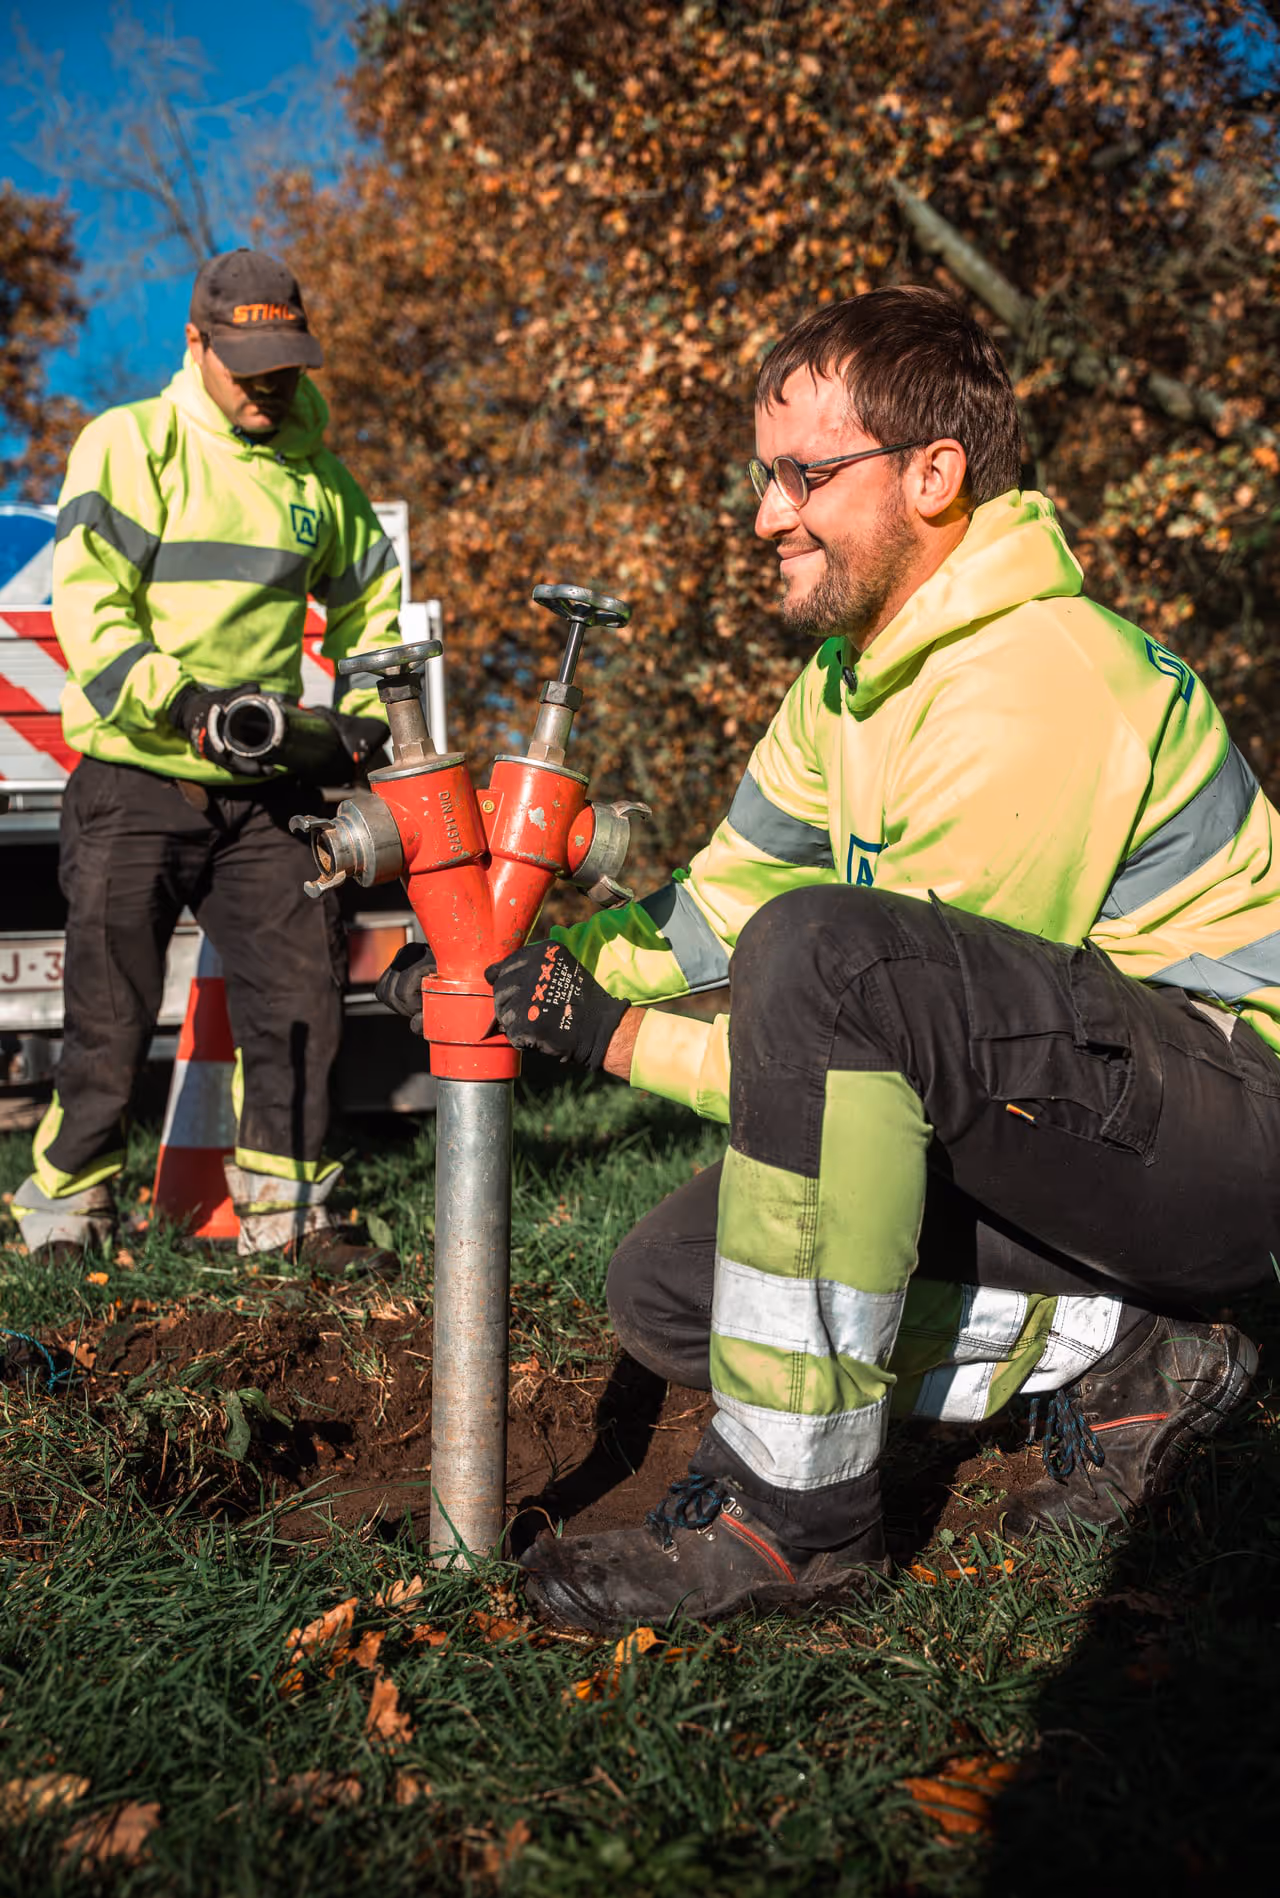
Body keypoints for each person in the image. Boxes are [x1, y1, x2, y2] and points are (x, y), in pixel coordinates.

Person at [383, 286, 1278, 1633]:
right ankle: (1140, 1353)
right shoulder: (846, 683)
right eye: (763, 475)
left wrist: (611, 1041)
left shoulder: (1034, 684)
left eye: (805, 475)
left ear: (934, 474)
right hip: (1082, 1116)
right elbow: (723, 906)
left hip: (1233, 1135)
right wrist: (528, 970)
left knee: (834, 954)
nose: (763, 515)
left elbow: (883, 1020)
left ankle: (785, 1523)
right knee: (674, 1290)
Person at [13, 247, 400, 1274]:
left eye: (284, 363)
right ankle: (63, 1219)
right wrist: (180, 700)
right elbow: (88, 605)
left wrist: (359, 715)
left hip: (267, 792)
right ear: (195, 344)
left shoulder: (320, 478)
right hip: (135, 775)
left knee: (302, 1005)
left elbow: (374, 602)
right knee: (109, 1018)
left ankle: (291, 1217)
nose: (268, 384)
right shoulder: (130, 444)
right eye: (246, 364)